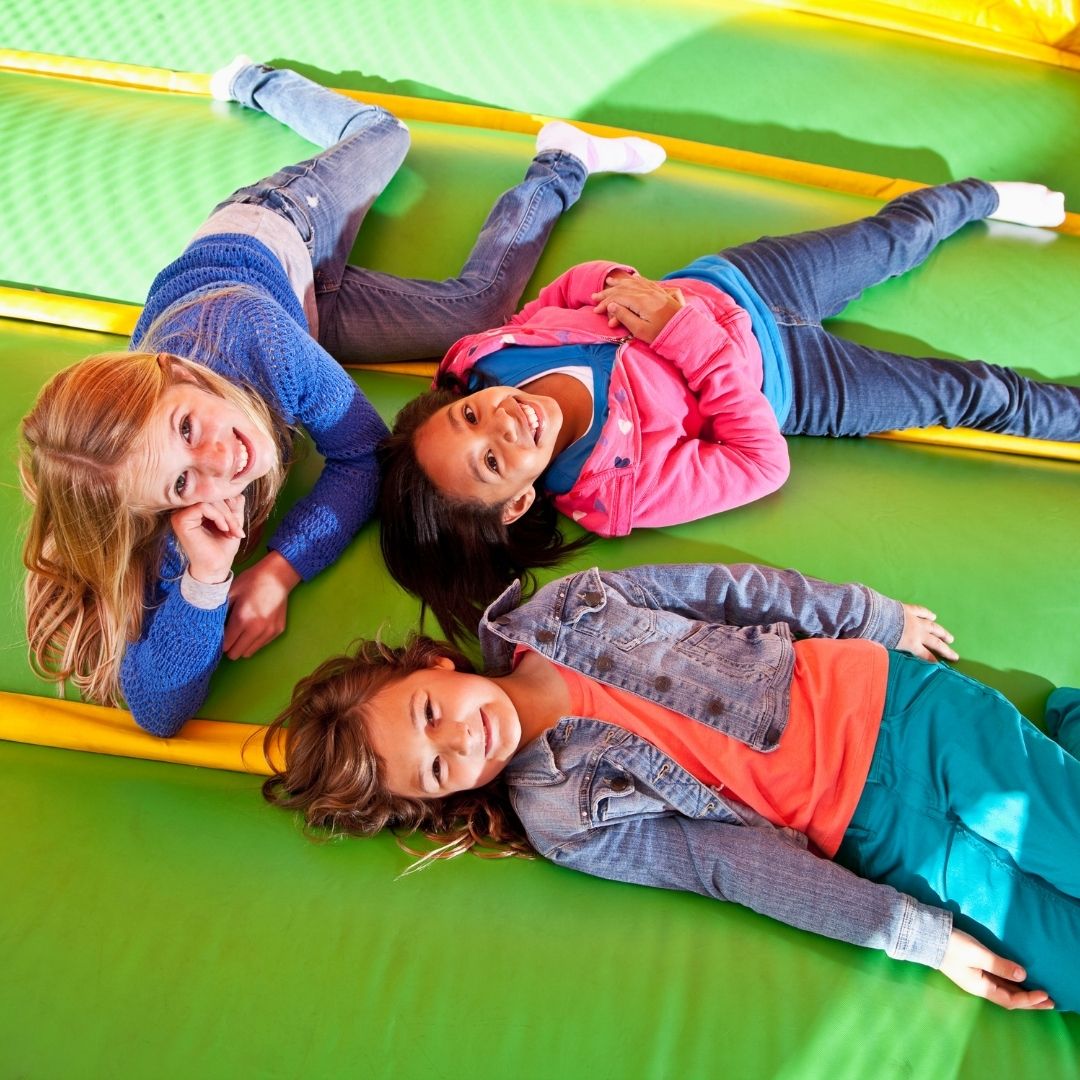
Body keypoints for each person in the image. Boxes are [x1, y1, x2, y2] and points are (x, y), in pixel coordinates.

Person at [19, 60, 665, 738]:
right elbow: (157, 712)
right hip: (307, 319)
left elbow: (362, 452)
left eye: (186, 426)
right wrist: (208, 583)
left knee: (385, 135)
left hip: (280, 232)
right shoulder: (144, 484)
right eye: (183, 479)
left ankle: (255, 79)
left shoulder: (250, 328)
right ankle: (562, 161)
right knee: (476, 307)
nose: (219, 459)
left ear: (175, 372)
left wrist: (281, 568)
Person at [263, 561, 1080, 1012]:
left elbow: (732, 591)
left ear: (432, 666)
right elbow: (724, 866)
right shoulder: (560, 820)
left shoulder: (571, 607)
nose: (460, 738)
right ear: (441, 797)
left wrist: (868, 613)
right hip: (872, 833)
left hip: (904, 714)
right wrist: (918, 938)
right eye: (438, 767)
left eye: (431, 712)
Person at [377, 180, 1078, 640]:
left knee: (902, 231)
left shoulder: (488, 358)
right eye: (493, 461)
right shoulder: (615, 487)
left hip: (741, 281)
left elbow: (559, 297)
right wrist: (681, 336)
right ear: (518, 500)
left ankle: (981, 196)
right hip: (800, 382)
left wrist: (618, 283)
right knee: (974, 392)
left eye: (469, 417)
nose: (501, 422)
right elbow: (760, 462)